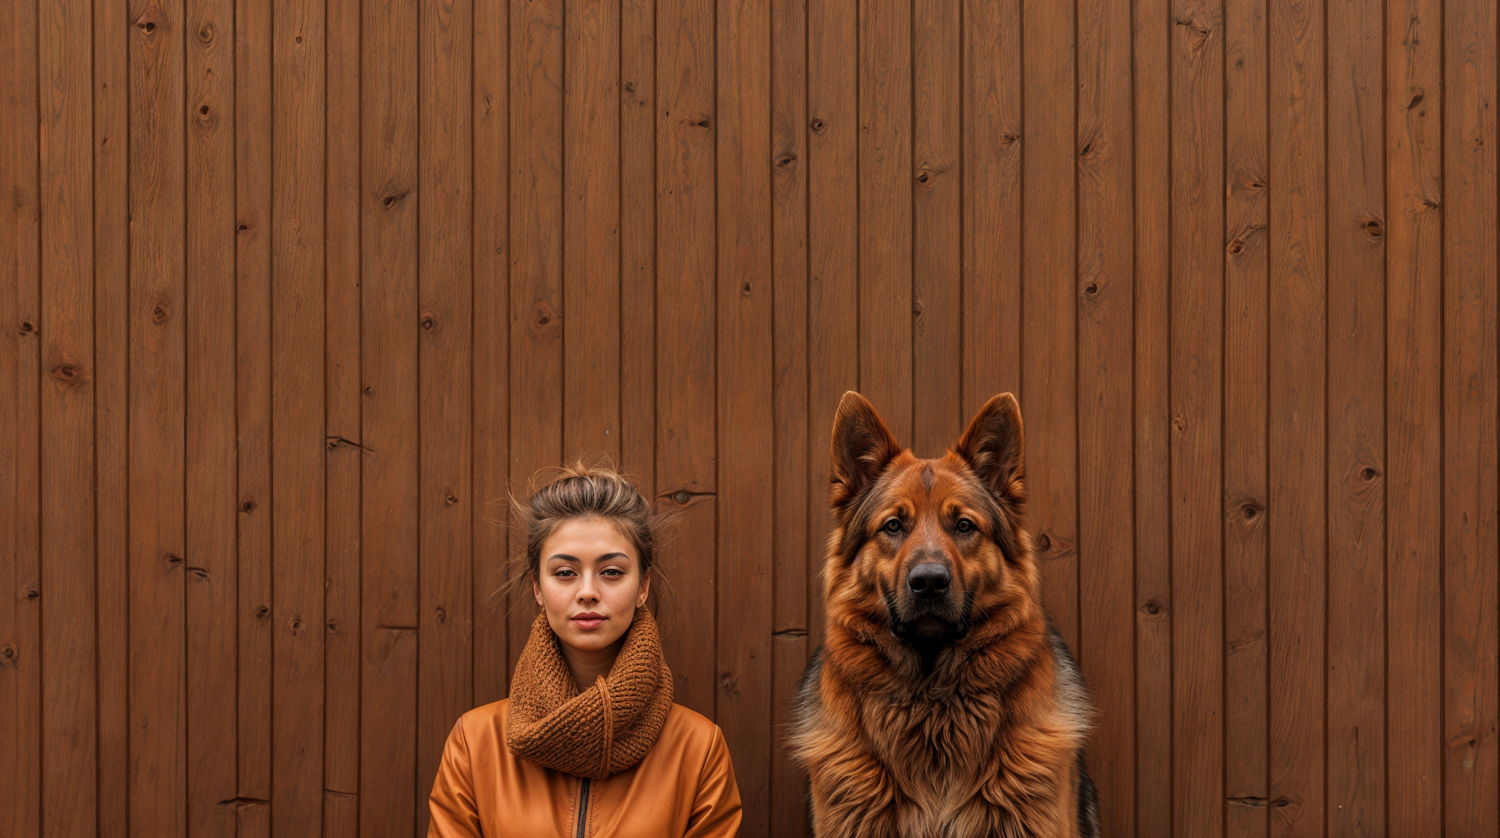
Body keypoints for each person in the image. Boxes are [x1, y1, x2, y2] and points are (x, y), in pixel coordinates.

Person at [426, 462, 742, 837]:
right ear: (537, 588)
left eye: (611, 572)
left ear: (643, 586)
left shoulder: (698, 748)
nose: (588, 591)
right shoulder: (476, 742)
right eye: (565, 572)